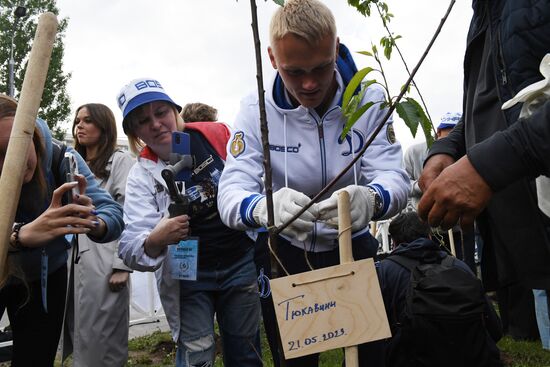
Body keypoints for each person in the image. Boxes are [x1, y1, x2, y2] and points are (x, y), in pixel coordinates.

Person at [217, 1, 409, 365]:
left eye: (321, 68)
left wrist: (371, 198)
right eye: (294, 72)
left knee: (372, 354)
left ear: (336, 48)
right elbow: (230, 192)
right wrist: (263, 206)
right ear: (273, 59)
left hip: (351, 245)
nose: (309, 84)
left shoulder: (367, 98)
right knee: (296, 360)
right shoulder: (255, 108)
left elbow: (395, 177)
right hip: (285, 252)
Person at [418, 0, 550, 341]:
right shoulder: (487, 13)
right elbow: (490, 100)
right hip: (527, 251)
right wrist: (448, 149)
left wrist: (490, 164)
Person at [116, 77, 262, 367]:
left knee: (246, 353)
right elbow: (130, 247)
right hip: (190, 277)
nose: (156, 124)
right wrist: (157, 238)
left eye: (161, 113)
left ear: (175, 111)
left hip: (239, 262)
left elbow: (254, 174)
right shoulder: (141, 175)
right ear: (135, 132)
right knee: (198, 356)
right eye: (143, 121)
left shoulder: (216, 136)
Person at [0, 94, 124, 366]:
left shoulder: (61, 156)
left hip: (44, 278)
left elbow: (113, 213)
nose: (14, 166)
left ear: (33, 136)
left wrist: (90, 219)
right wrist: (19, 234)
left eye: (18, 149)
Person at [361, 211, 502, 367]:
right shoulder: (460, 267)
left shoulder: (382, 273)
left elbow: (370, 341)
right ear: (429, 236)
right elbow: (494, 329)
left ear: (394, 242)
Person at [61, 103, 135, 366]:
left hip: (105, 260)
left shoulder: (120, 161)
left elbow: (129, 212)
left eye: (88, 120)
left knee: (104, 341)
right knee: (79, 336)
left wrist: (123, 265)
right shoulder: (69, 162)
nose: (79, 126)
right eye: (77, 120)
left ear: (104, 127)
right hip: (73, 260)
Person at [403, 112, 476, 273]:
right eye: (447, 130)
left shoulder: (466, 152)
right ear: (438, 132)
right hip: (426, 226)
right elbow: (404, 184)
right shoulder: (414, 152)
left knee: (463, 268)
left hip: (458, 226)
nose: (451, 135)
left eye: (455, 131)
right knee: (430, 271)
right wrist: (423, 186)